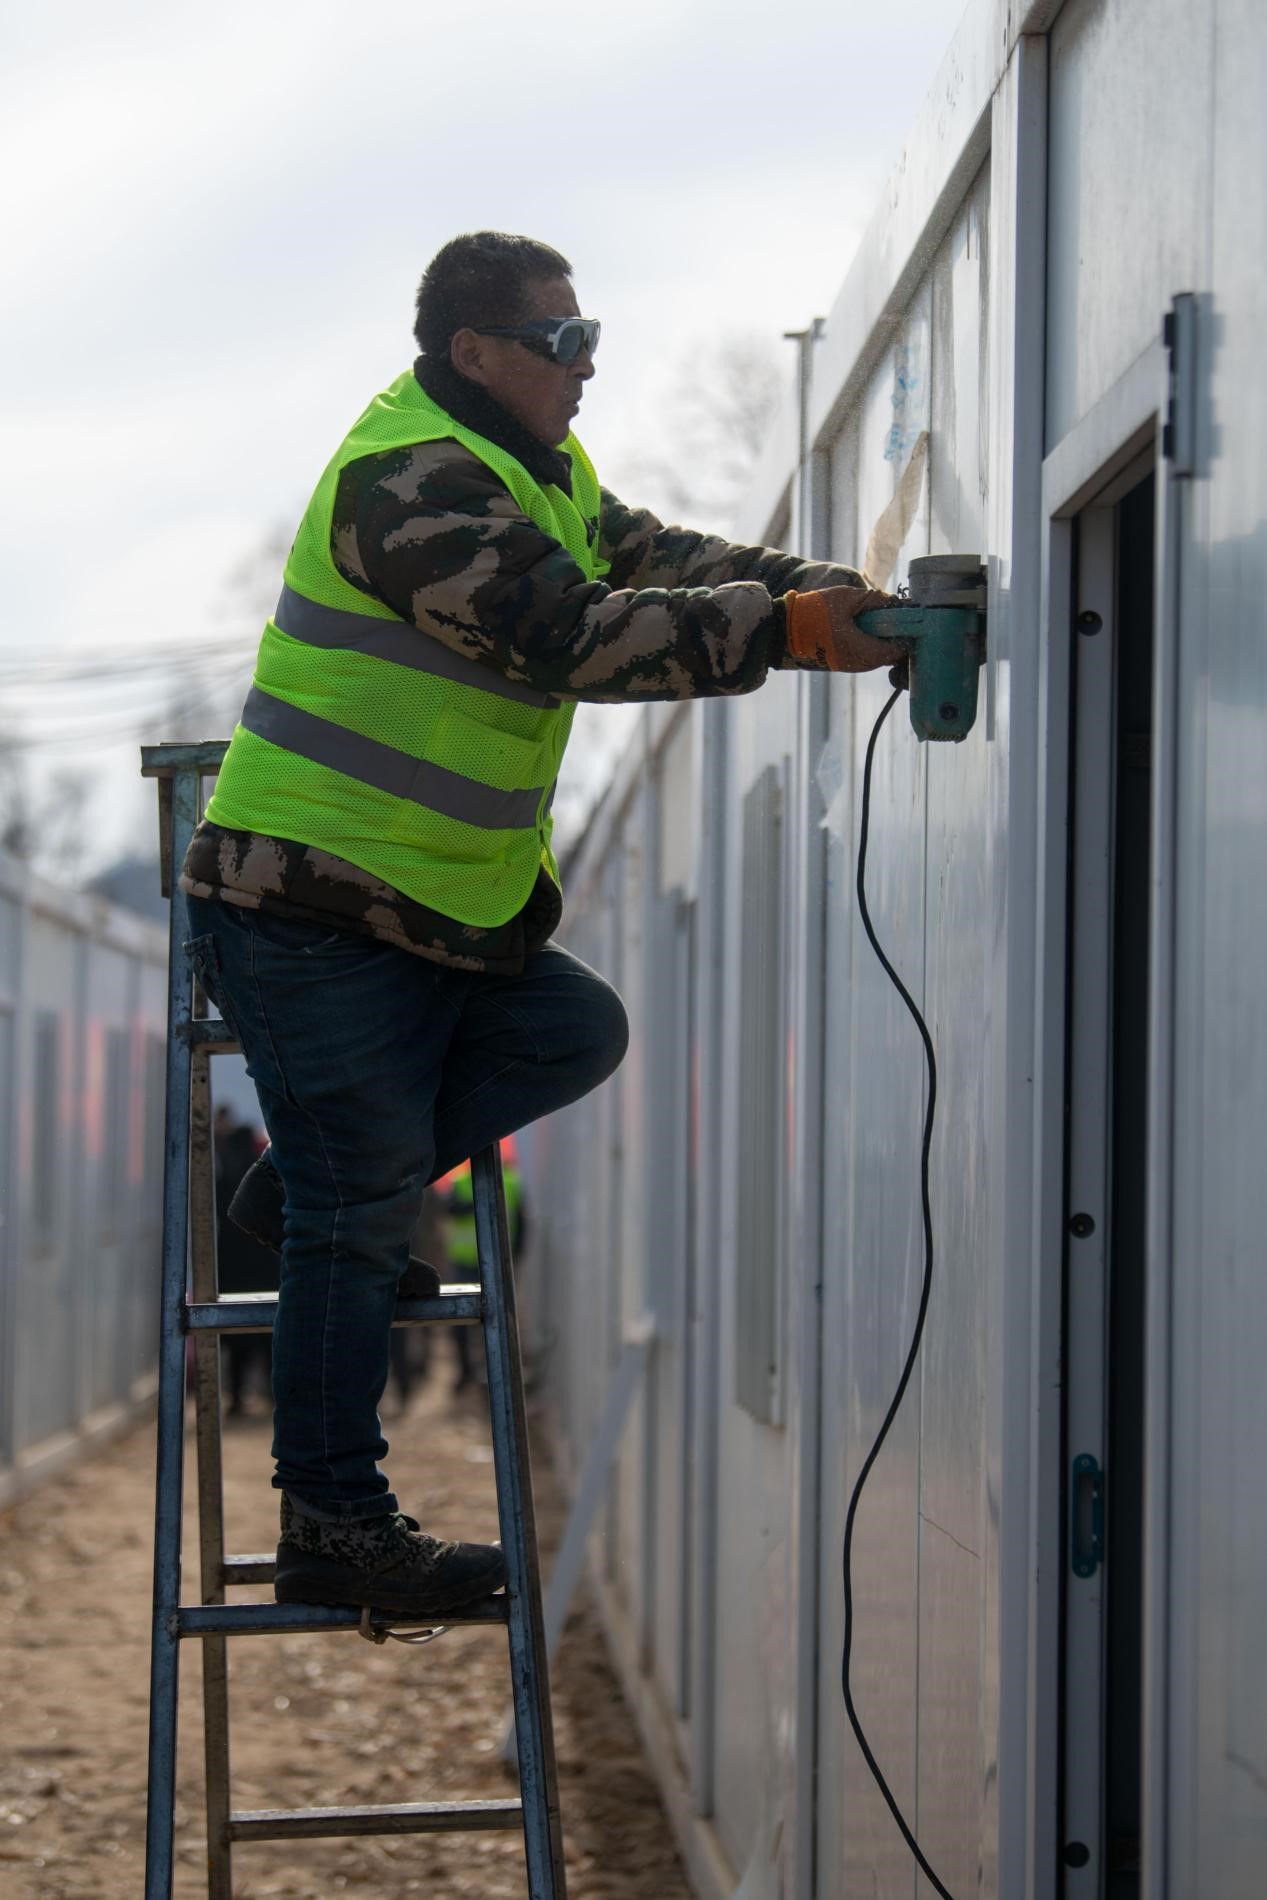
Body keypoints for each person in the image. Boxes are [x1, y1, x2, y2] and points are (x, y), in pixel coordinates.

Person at [179, 230, 895, 1620]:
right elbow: (566, 631)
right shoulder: (411, 483)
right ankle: (334, 1518)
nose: (587, 365)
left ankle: (316, 1198)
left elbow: (654, 557)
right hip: (311, 893)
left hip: (436, 906)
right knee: (357, 1193)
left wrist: (822, 592)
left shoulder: (535, 472)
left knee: (573, 1025)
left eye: (591, 334)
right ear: (476, 355)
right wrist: (793, 637)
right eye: (564, 342)